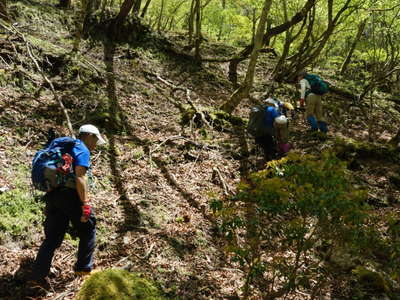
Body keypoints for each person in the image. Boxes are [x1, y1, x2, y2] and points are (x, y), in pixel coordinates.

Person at [29, 124, 106, 282]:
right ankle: (83, 270)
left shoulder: (65, 147)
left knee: (52, 238)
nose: (95, 145)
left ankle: (37, 276)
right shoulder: (81, 149)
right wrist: (85, 204)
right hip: (70, 196)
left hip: (53, 194)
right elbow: (80, 177)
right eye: (95, 140)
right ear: (89, 136)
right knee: (88, 228)